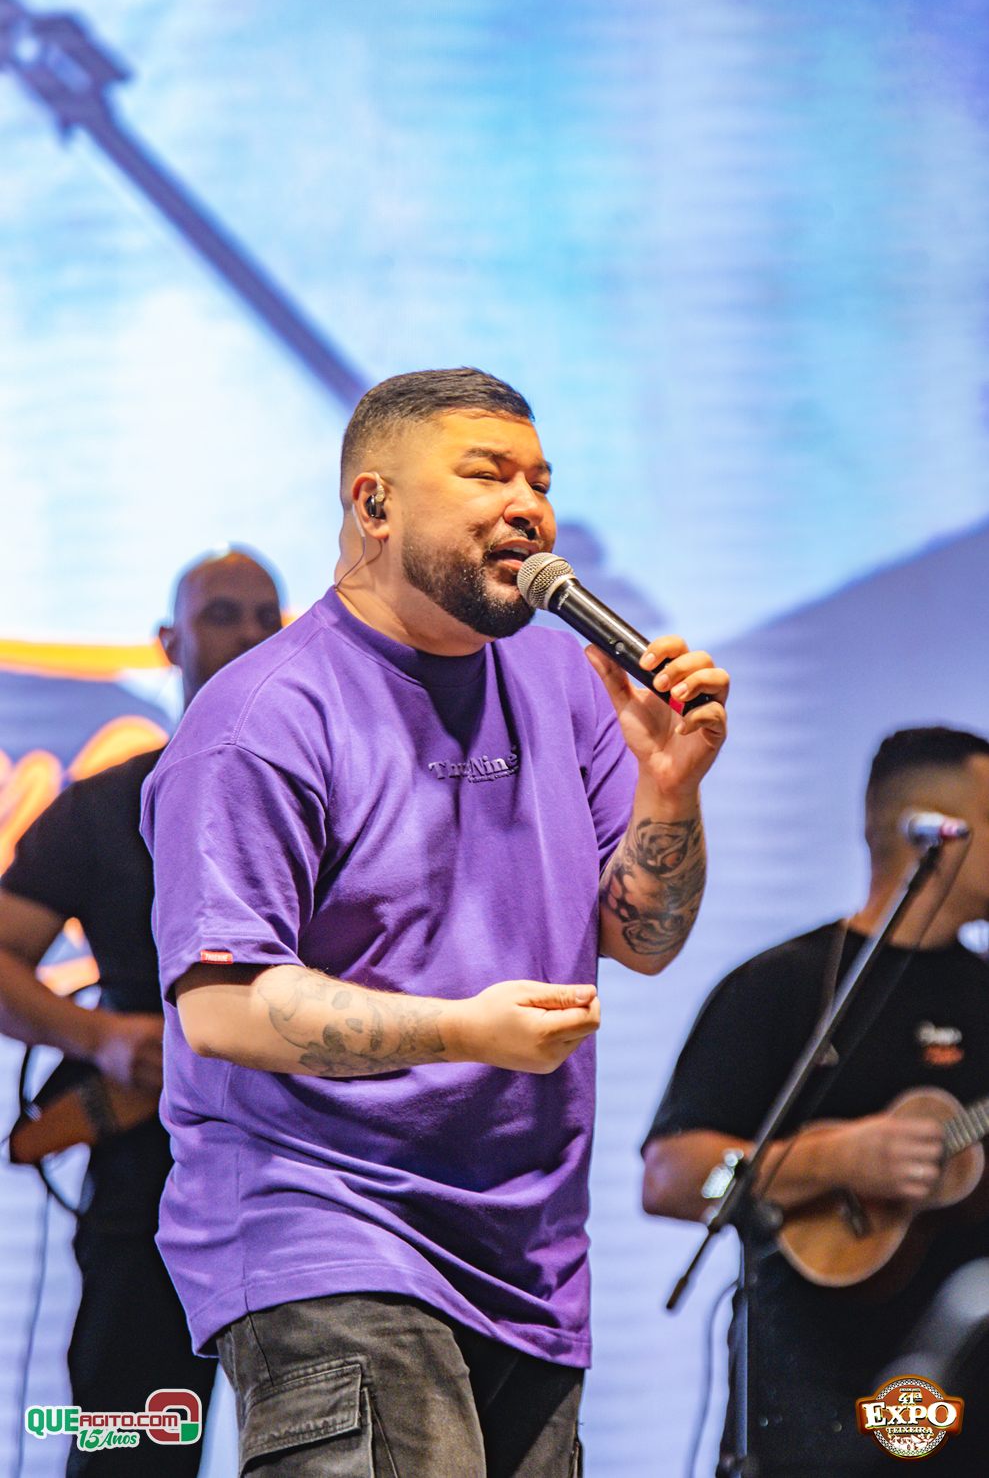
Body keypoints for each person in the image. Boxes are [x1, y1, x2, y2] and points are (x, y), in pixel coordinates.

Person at [140, 366, 731, 1477]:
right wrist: (463, 1031)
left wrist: (670, 789)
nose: (527, 506)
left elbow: (643, 940)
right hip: (328, 1231)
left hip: (528, 1258)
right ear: (373, 504)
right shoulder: (262, 717)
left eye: (539, 480)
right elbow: (223, 1008)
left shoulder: (562, 675)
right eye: (485, 475)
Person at [0, 548, 284, 1477]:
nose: (248, 633)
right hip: (148, 1190)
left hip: (314, 1186)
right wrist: (100, 1038)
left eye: (266, 616)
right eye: (221, 614)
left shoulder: (338, 796)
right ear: (170, 641)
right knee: (127, 1443)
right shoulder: (103, 808)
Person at [641, 726, 989, 1478]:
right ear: (935, 833)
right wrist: (837, 1160)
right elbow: (673, 1181)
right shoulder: (784, 986)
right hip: (811, 1405)